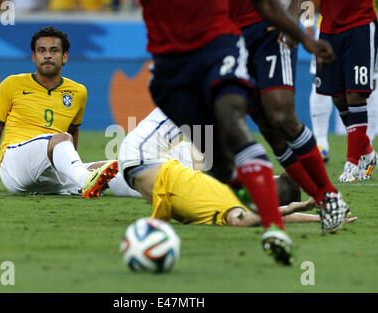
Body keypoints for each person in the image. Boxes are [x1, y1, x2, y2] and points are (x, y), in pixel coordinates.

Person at [138, 0, 337, 265]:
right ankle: (245, 192)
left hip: (220, 47)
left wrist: (303, 37)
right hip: (170, 67)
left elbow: (264, 4)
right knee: (218, 162)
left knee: (232, 120)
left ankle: (275, 228)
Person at [117, 108, 357, 265]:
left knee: (196, 101)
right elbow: (262, 216)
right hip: (143, 168)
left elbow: (244, 219)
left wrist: (296, 206)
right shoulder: (231, 200)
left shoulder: (232, 205)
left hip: (142, 154)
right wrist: (312, 216)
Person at [228, 0, 350, 235]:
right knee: (268, 128)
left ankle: (329, 193)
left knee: (281, 116)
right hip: (229, 38)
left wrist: (293, 15)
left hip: (270, 28)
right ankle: (323, 201)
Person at [0, 26, 118, 198]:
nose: (47, 55)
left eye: (54, 51)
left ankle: (147, 185)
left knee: (117, 169)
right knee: (62, 138)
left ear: (64, 56)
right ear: (33, 56)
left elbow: (73, 130)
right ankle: (84, 180)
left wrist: (69, 166)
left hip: (49, 170)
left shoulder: (78, 92)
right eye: (41, 50)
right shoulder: (12, 84)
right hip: (15, 164)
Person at [304, 0, 378, 182]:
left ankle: (353, 163)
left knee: (356, 94)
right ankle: (369, 154)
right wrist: (307, 25)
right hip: (328, 31)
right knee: (337, 97)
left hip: (361, 26)